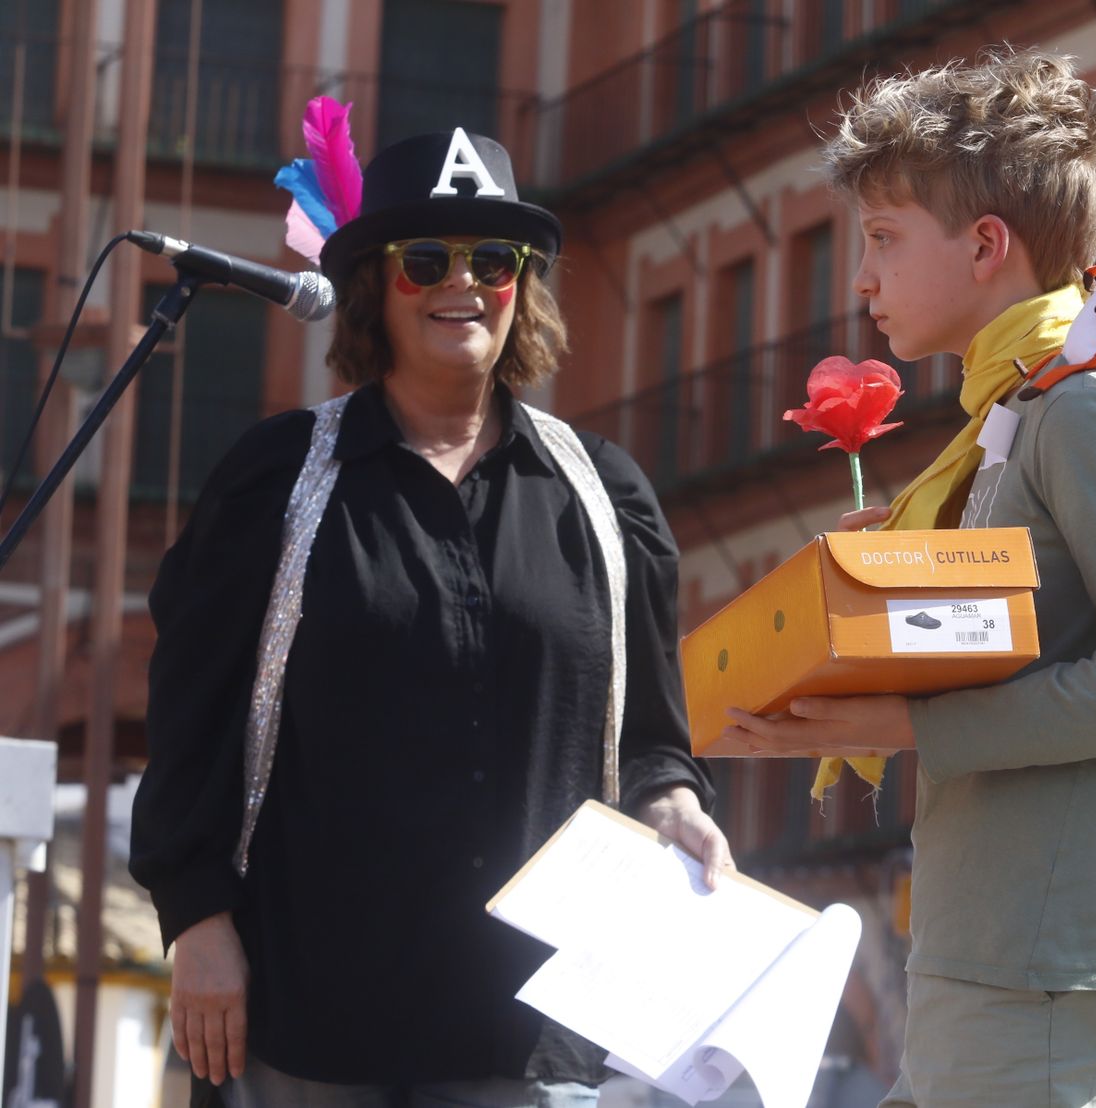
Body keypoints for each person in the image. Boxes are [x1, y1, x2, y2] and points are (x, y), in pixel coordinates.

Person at [130, 128, 731, 1108]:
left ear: (521, 285)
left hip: (527, 1021)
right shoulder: (277, 479)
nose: (465, 283)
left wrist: (675, 802)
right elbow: (190, 718)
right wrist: (195, 916)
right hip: (312, 1017)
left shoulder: (602, 491)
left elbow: (654, 734)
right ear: (375, 285)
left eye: (494, 260)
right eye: (427, 261)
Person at [722, 49, 1096, 1105]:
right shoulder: (1020, 412)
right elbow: (1031, 636)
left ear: (986, 245)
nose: (860, 278)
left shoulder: (1077, 409)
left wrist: (906, 725)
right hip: (1010, 948)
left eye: (882, 239)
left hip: (1049, 960)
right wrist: (882, 603)